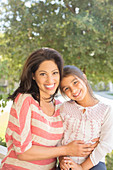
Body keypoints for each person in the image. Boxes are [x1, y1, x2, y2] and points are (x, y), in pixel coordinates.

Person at [1, 48, 96, 170]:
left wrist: (94, 139)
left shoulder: (59, 106)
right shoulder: (25, 100)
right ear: (33, 75)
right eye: (43, 74)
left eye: (54, 73)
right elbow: (23, 152)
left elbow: (75, 132)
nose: (50, 80)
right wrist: (65, 150)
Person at [59, 65, 113, 170]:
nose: (73, 90)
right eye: (66, 88)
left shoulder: (106, 110)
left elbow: (106, 144)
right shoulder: (63, 108)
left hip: (94, 164)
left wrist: (82, 167)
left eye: (75, 82)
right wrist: (62, 159)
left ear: (84, 78)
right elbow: (58, 138)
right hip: (67, 163)